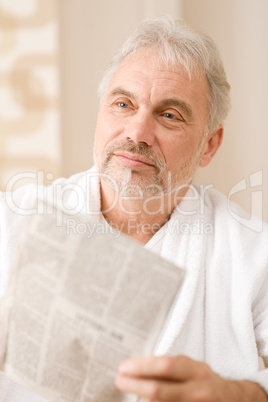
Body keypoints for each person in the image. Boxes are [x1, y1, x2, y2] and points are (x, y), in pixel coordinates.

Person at [0, 15, 267, 401]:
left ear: (209, 145)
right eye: (123, 104)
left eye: (169, 114)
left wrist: (239, 393)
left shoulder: (253, 253)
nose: (137, 133)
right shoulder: (11, 222)